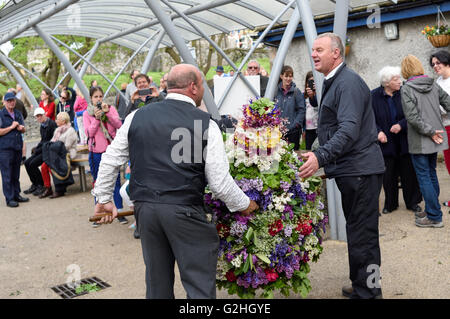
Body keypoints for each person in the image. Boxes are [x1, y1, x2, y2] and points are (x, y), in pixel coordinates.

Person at [92, 63, 258, 299]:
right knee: (199, 286)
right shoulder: (204, 124)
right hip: (185, 212)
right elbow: (219, 183)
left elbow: (110, 159)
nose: (203, 90)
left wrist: (104, 198)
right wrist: (244, 204)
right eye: (202, 84)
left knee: (157, 286)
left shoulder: (136, 116)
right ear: (193, 87)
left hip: (146, 211)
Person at [299, 33, 385, 299]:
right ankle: (363, 284)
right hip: (355, 170)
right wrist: (314, 151)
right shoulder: (335, 81)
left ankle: (369, 292)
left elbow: (348, 130)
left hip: (360, 170)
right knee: (357, 232)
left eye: (319, 50)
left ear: (336, 53)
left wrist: (320, 156)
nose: (314, 54)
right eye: (312, 50)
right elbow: (334, 128)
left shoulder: (347, 82)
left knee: (364, 236)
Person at [400, 54, 450, 228]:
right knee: (431, 174)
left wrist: (429, 131)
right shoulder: (433, 84)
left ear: (405, 70)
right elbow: (448, 103)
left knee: (424, 178)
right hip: (436, 136)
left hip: (421, 138)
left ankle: (434, 216)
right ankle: (432, 209)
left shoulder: (406, 88)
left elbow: (412, 117)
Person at [371, 66, 422, 215]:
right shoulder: (373, 96)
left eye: (399, 78)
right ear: (386, 83)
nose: (400, 81)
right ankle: (390, 204)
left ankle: (412, 202)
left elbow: (414, 114)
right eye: (396, 79)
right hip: (386, 142)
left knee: (409, 173)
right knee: (388, 175)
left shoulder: (405, 93)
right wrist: (378, 132)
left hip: (405, 140)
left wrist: (401, 125)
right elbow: (369, 119)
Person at [83, 86, 127, 227]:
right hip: (96, 151)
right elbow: (89, 133)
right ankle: (100, 212)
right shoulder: (87, 113)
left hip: (111, 149)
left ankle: (119, 211)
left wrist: (107, 114)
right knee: (99, 182)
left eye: (100, 96)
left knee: (116, 181)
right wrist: (96, 119)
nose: (99, 99)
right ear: (91, 98)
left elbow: (119, 124)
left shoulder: (110, 109)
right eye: (95, 97)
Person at [0, 91, 28, 208]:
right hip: (5, 149)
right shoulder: (1, 114)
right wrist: (12, 127)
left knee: (16, 174)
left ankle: (17, 195)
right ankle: (9, 198)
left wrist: (21, 128)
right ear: (4, 102)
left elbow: (24, 129)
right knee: (7, 175)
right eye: (9, 101)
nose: (11, 102)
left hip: (17, 147)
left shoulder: (17, 113)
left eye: (13, 100)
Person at [430, 50, 450, 208]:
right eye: (433, 64)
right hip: (444, 128)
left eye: (438, 63)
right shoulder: (437, 82)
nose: (435, 66)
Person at [23, 108, 58, 198]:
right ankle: (35, 184)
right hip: (43, 149)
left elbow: (51, 141)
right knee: (27, 162)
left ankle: (41, 185)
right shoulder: (42, 125)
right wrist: (37, 148)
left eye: (40, 115)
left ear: (44, 114)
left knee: (33, 164)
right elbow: (43, 140)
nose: (39, 118)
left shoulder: (52, 124)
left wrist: (38, 149)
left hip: (49, 151)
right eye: (37, 116)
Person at [43, 111, 78, 198]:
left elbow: (67, 146)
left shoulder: (71, 130)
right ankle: (48, 188)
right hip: (57, 153)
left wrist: (55, 149)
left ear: (64, 121)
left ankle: (60, 189)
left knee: (53, 165)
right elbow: (52, 142)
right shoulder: (57, 130)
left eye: (58, 119)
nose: (56, 121)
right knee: (44, 166)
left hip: (67, 153)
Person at [275, 65, 306, 150]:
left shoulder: (296, 92)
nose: (288, 78)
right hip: (277, 132)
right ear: (281, 76)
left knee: (293, 156)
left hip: (293, 132)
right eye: (286, 76)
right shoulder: (275, 91)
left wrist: (295, 124)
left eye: (290, 76)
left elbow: (302, 110)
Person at [304, 71, 319, 150]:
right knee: (308, 150)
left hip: (317, 127)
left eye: (314, 81)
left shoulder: (319, 94)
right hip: (308, 129)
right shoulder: (303, 96)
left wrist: (317, 91)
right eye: (310, 81)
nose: (311, 83)